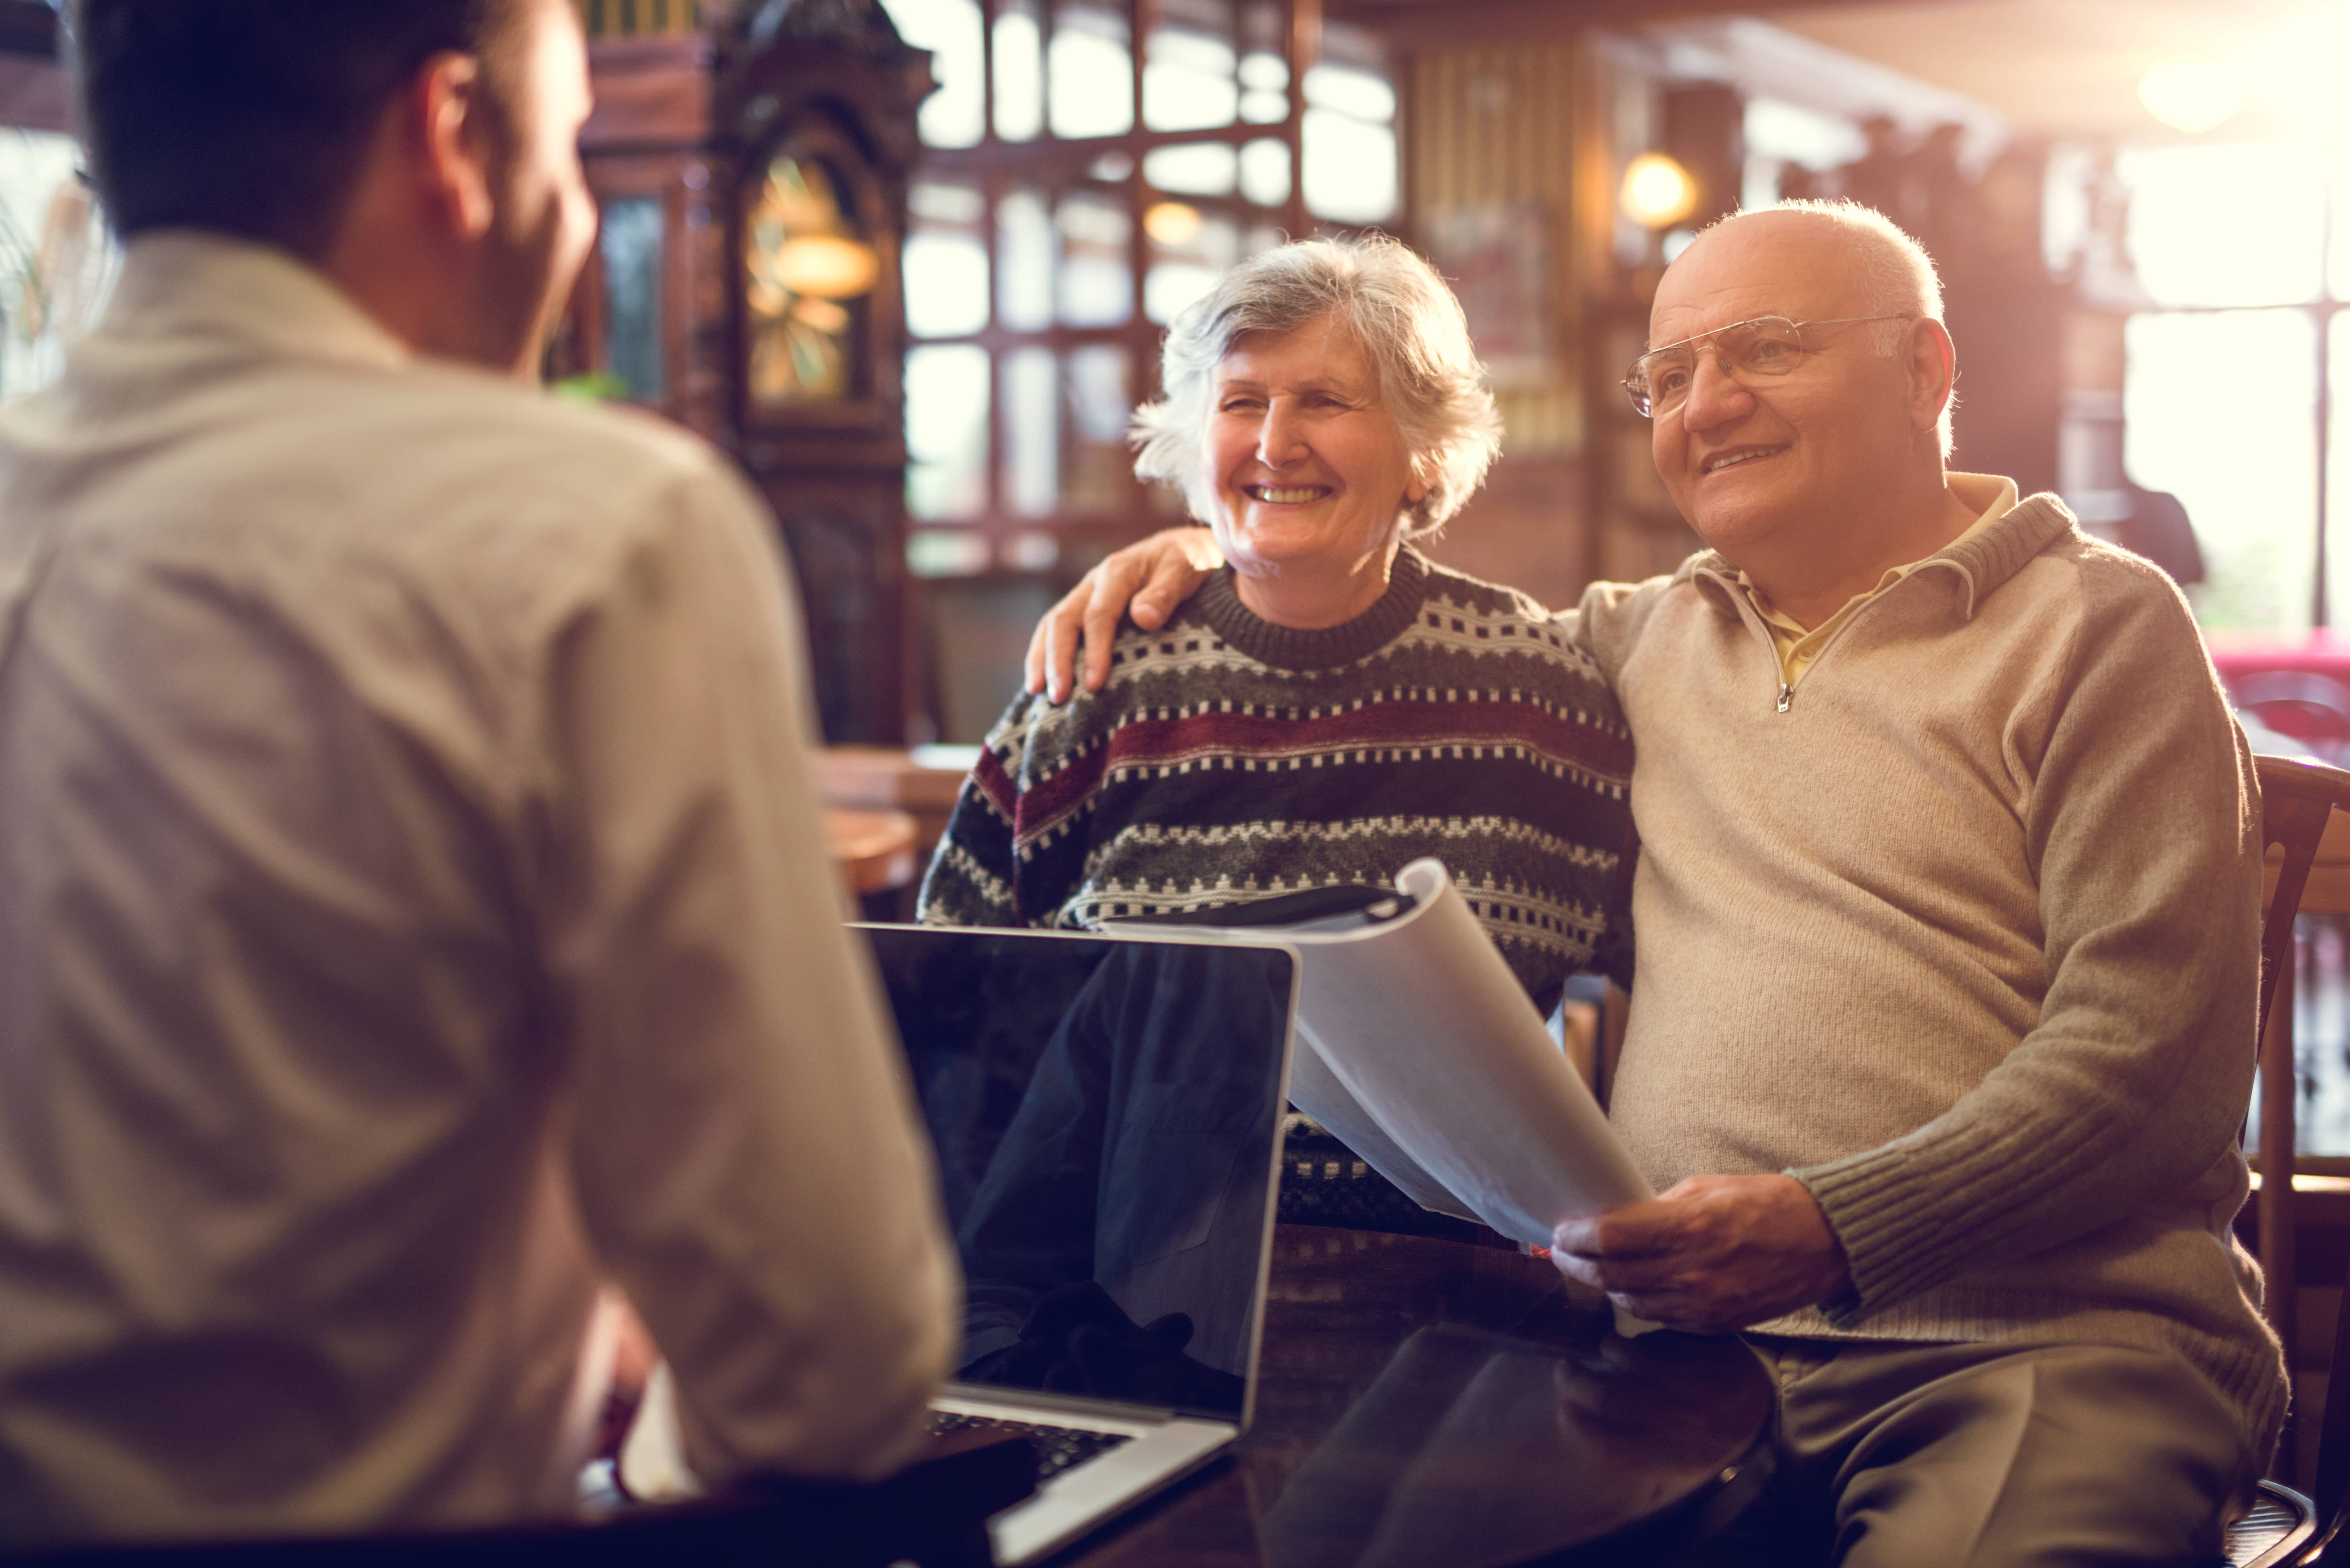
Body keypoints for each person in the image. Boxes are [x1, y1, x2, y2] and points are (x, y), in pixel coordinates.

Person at [1028, 201, 2282, 1565]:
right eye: (1669, 374)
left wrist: (1833, 1229)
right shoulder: (1625, 646)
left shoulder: (2098, 625)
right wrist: (1226, 548)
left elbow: (2150, 1060)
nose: (1708, 403)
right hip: (1665, 1358)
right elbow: (1362, 589)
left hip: (2031, 1345)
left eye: (1766, 349)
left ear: (1923, 370)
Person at [0, 0, 953, 1545]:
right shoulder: (592, 532)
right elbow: (826, 1360)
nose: (575, 214)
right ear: (453, 137)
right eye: (572, 147)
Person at [918, 235, 1635, 1014]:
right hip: (1141, 1142)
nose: (1273, 445)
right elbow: (952, 1004)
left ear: (1424, 452)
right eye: (1241, 402)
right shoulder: (1092, 682)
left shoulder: (1538, 694)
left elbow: (1658, 975)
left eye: (1324, 401)